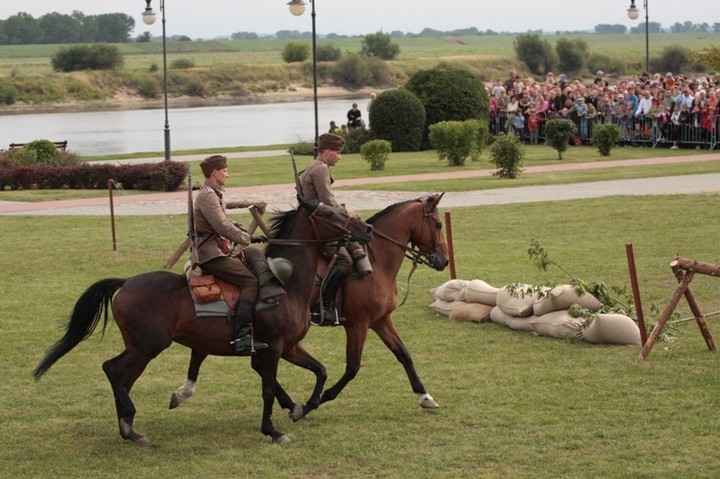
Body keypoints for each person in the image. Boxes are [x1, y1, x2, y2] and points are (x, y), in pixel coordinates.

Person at [193, 154, 281, 354]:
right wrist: (246, 237)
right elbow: (221, 226)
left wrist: (243, 229)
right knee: (250, 282)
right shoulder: (208, 195)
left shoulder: (214, 192)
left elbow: (225, 220)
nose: (227, 174)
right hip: (210, 254)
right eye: (225, 171)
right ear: (215, 172)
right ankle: (242, 337)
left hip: (217, 250)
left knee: (252, 254)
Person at [300, 133, 370, 326]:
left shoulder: (313, 167)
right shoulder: (320, 169)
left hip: (319, 222)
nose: (340, 156)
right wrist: (349, 214)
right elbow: (327, 202)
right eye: (338, 153)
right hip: (321, 227)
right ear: (328, 151)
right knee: (344, 261)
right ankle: (320, 308)